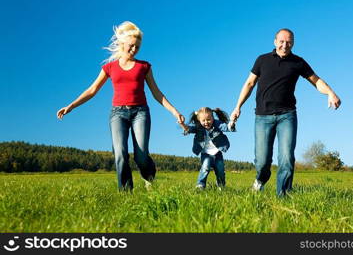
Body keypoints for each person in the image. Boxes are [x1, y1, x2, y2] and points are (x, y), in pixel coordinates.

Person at [57, 21, 184, 191]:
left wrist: (174, 111)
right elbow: (92, 90)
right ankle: (126, 195)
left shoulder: (144, 67)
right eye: (131, 46)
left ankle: (149, 176)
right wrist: (71, 106)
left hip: (140, 112)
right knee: (120, 154)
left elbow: (157, 93)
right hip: (118, 114)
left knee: (141, 155)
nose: (134, 50)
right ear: (122, 43)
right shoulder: (109, 67)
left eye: (137, 47)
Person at [230, 28, 341, 197]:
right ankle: (260, 179)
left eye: (288, 42)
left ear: (293, 43)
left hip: (287, 115)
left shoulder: (298, 62)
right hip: (262, 116)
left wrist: (330, 93)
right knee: (262, 161)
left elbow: (316, 81)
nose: (284, 45)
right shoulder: (262, 60)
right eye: (281, 41)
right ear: (275, 42)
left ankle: (283, 196)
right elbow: (249, 84)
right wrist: (238, 106)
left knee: (286, 157)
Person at [180, 107, 236, 190]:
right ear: (199, 120)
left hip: (217, 152)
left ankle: (221, 186)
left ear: (213, 118)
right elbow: (189, 129)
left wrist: (232, 122)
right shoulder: (198, 127)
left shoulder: (217, 124)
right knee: (205, 167)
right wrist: (182, 124)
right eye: (203, 120)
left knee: (220, 170)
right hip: (205, 153)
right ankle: (200, 185)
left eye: (209, 119)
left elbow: (227, 127)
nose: (206, 122)